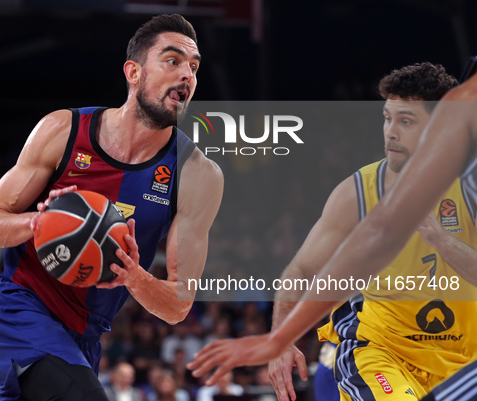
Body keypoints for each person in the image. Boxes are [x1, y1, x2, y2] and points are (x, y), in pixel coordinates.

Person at [0, 13, 223, 401]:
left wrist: (134, 276)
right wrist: (42, 221)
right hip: (13, 307)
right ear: (133, 72)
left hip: (83, 339)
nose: (186, 74)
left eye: (193, 67)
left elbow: (178, 306)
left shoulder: (197, 175)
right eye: (173, 61)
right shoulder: (63, 130)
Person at [188, 63, 477, 397]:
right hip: (381, 355)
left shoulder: (467, 188)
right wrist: (281, 341)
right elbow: (301, 269)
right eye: (387, 118)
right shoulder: (357, 192)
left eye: (406, 121)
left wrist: (440, 240)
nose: (391, 132)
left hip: (462, 363)